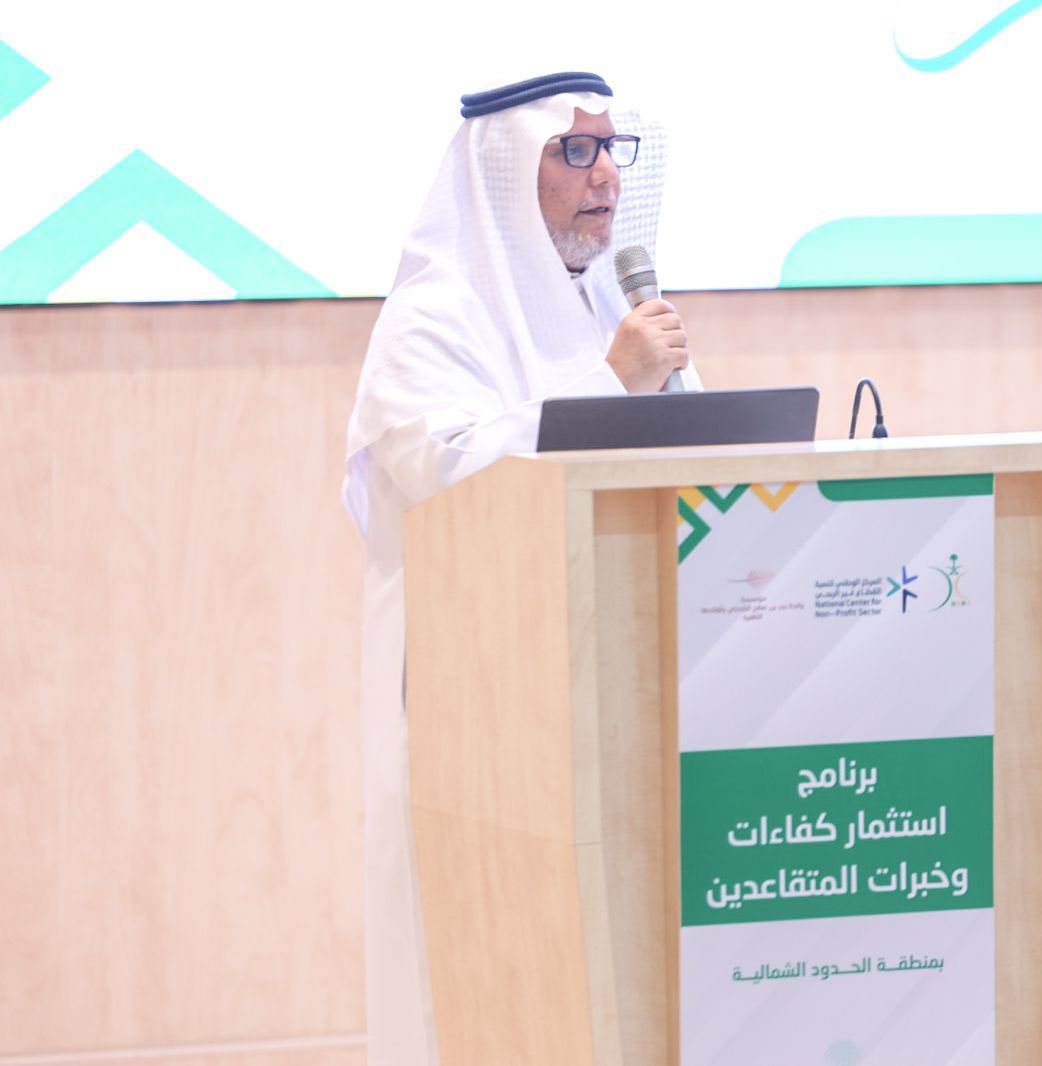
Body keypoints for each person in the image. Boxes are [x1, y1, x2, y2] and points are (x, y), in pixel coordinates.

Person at [340, 71, 700, 1065]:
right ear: (503, 173)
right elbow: (446, 476)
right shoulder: (435, 317)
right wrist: (613, 383)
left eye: (611, 149)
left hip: (619, 692)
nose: (605, 177)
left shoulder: (614, 313)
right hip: (479, 702)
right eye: (574, 150)